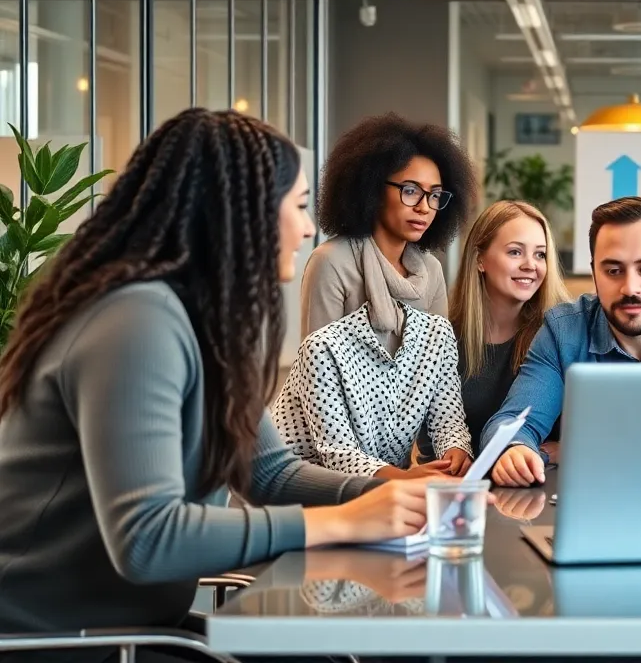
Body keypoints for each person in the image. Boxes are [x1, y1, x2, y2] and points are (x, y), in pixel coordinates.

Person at [0, 109, 432, 637]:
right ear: (239, 213)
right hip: (51, 643)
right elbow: (147, 538)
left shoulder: (198, 325)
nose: (306, 227)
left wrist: (390, 498)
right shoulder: (136, 320)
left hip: (131, 631)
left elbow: (269, 474)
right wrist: (339, 522)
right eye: (296, 206)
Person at [484, 197, 641, 487]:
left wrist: (580, 451)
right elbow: (511, 422)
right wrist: (515, 449)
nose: (630, 288)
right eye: (613, 271)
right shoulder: (564, 331)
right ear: (594, 272)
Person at [300, 115, 477, 353]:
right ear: (372, 189)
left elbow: (437, 365)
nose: (424, 207)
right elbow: (316, 367)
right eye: (411, 190)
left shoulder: (431, 270)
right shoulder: (332, 262)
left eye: (435, 195)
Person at [417, 200, 571, 461]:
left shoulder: (559, 334)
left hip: (540, 484)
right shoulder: (441, 337)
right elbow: (428, 443)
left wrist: (562, 452)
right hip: (463, 486)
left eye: (540, 254)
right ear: (480, 260)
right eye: (515, 252)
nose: (530, 265)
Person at [272, 298, 474, 479]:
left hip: (379, 495)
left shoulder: (437, 334)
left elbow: (447, 421)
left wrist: (455, 451)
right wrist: (408, 479)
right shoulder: (322, 347)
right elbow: (338, 457)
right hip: (297, 493)